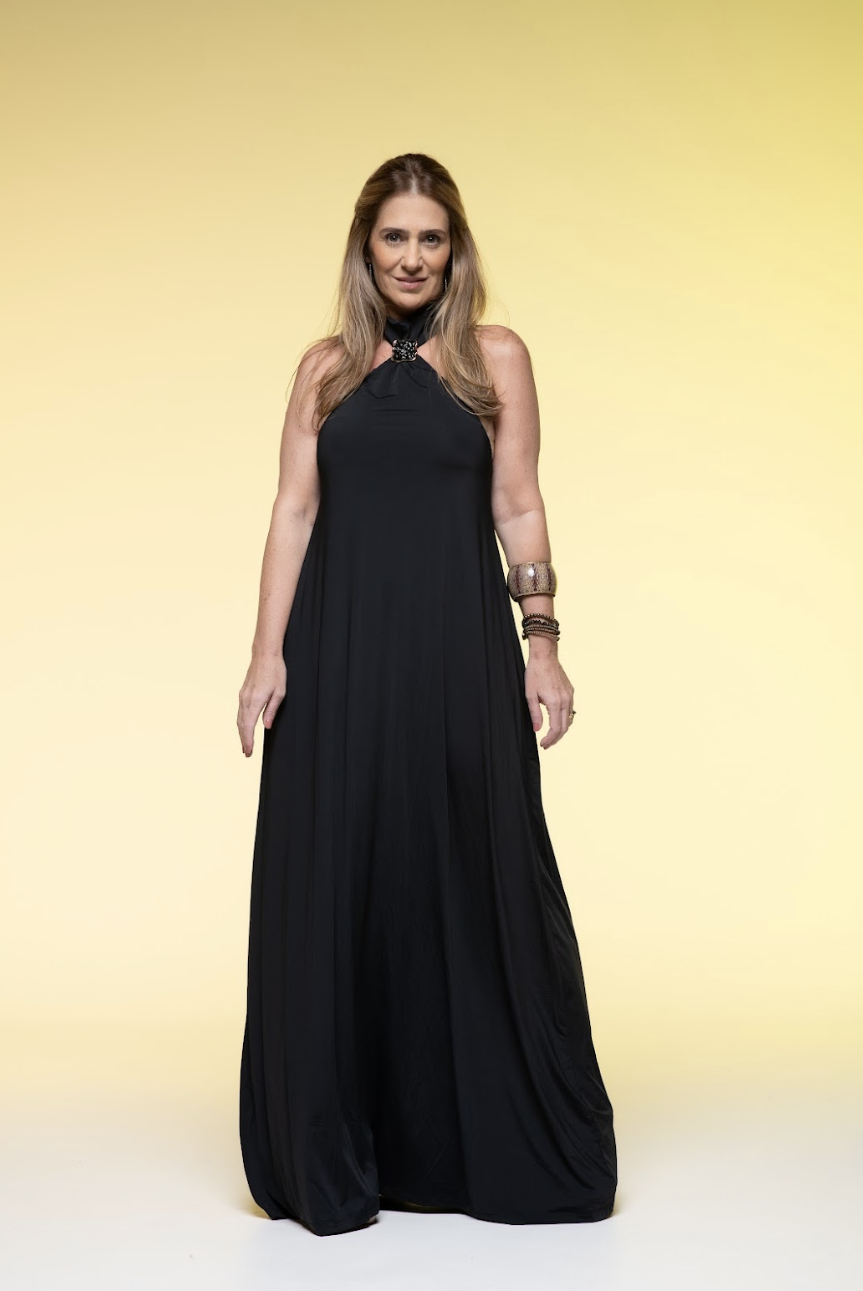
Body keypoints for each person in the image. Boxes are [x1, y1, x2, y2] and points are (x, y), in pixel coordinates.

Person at [236, 153, 617, 1237]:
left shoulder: (493, 357)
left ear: (455, 251)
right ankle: (341, 1146)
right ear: (365, 250)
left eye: (430, 239)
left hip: (456, 653)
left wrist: (541, 644)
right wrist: (265, 656)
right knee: (341, 876)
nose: (411, 258)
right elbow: (293, 510)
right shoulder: (323, 369)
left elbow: (518, 502)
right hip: (338, 653)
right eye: (393, 237)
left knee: (471, 867)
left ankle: (478, 1141)